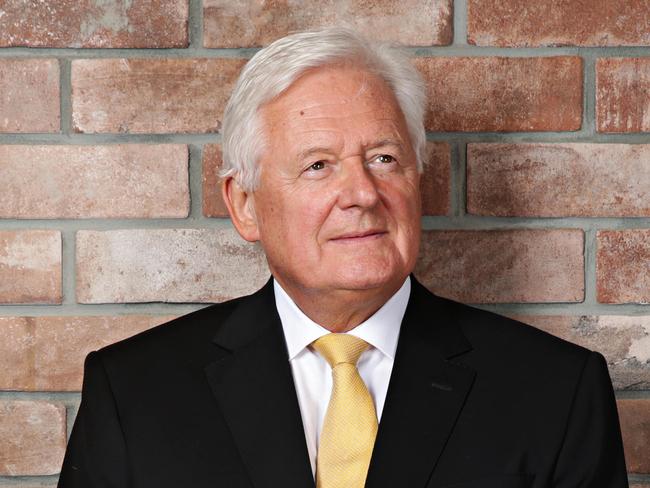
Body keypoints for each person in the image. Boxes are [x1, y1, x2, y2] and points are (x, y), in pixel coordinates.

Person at [58, 27, 628, 488]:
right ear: (245, 205)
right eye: (318, 166)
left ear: (418, 181)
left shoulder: (556, 390)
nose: (362, 193)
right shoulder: (134, 391)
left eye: (383, 158)